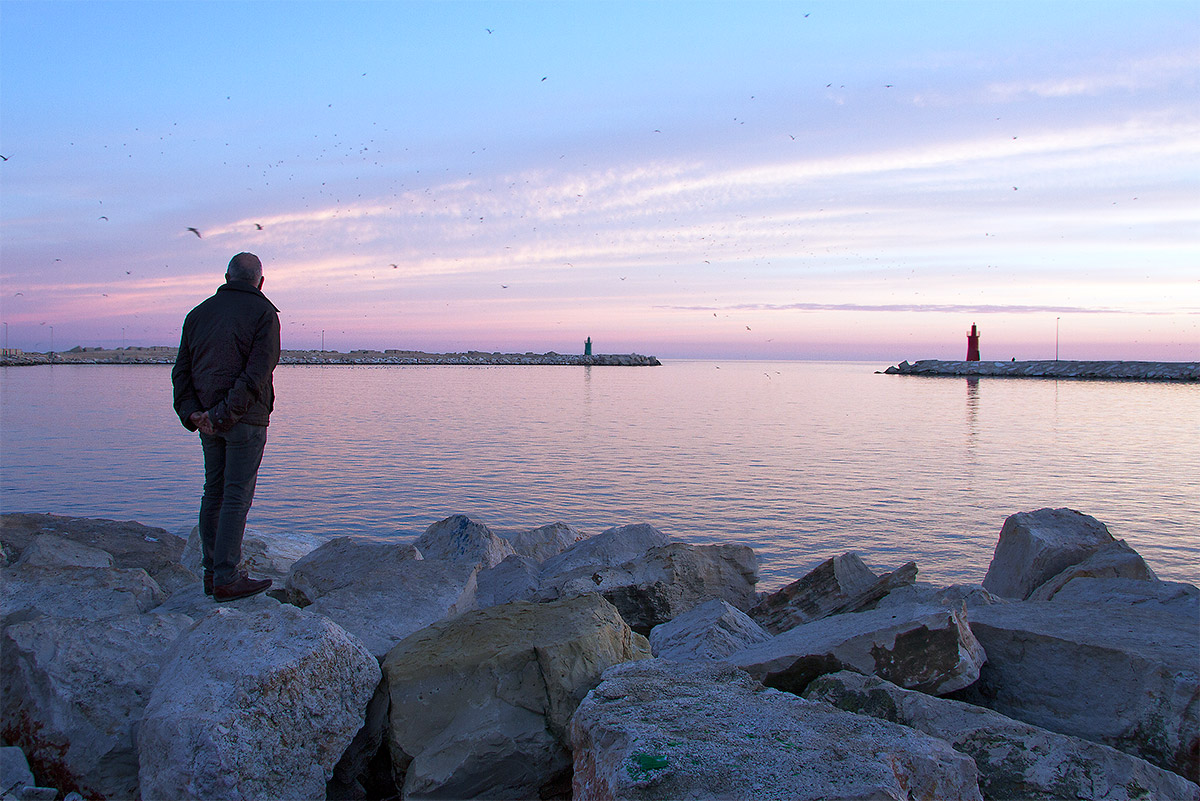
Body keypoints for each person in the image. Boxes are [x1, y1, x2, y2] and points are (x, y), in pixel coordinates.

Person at [172, 252, 280, 601]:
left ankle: (211, 574)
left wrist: (195, 414)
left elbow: (181, 373)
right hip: (243, 420)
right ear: (260, 282)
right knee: (235, 496)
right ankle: (226, 578)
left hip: (209, 421)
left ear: (226, 277)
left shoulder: (198, 314)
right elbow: (256, 374)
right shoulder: (264, 314)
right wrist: (221, 415)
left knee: (214, 493)